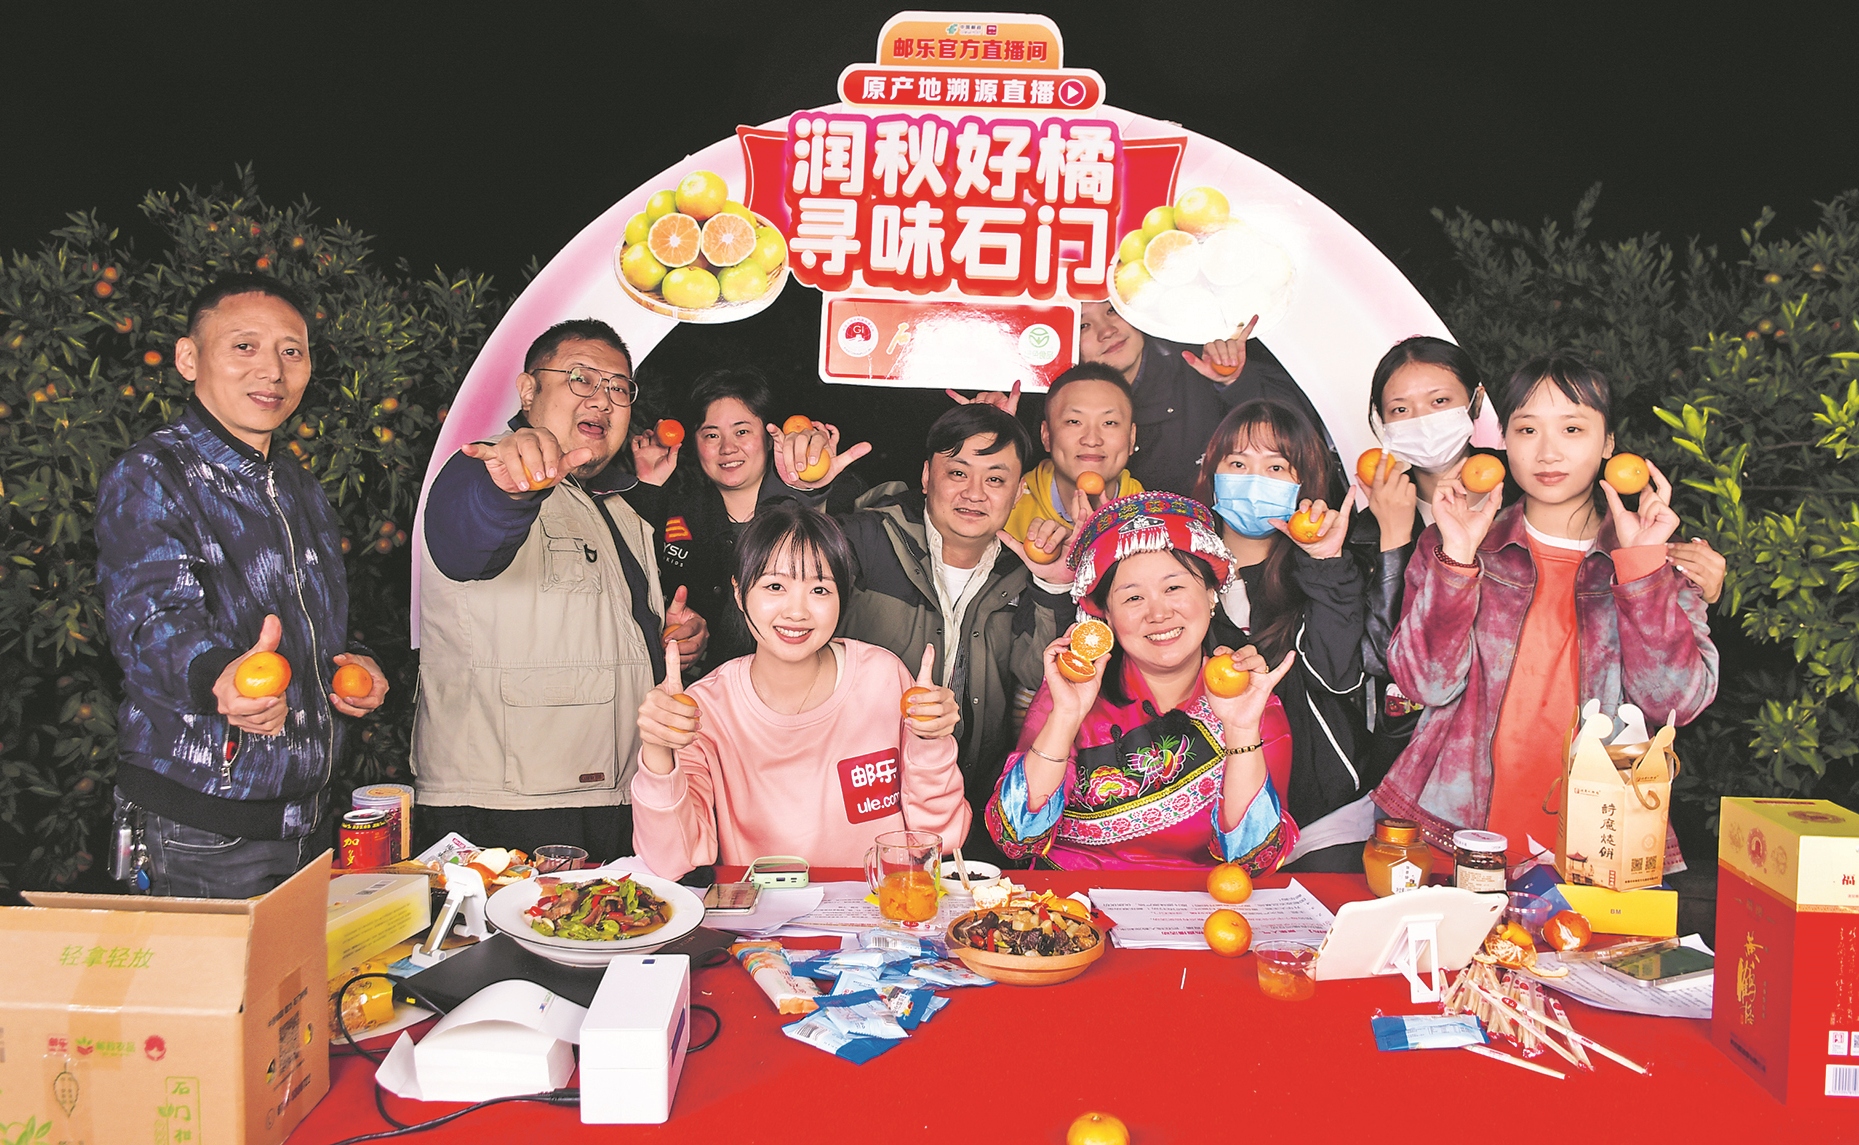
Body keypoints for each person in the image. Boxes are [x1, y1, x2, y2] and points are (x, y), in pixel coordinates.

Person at [97, 274, 387, 899]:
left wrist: (351, 662)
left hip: (306, 820)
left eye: (291, 351)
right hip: (199, 827)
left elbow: (307, 620)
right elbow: (149, 621)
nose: (272, 371)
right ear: (188, 358)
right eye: (245, 346)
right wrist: (218, 677)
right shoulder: (153, 473)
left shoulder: (297, 486)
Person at [1376, 352, 1719, 863]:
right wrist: (1458, 559)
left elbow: (1675, 705)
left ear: (1608, 444)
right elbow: (1425, 684)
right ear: (1504, 441)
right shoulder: (1454, 545)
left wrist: (1643, 571)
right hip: (1454, 835)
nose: (1548, 452)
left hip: (1600, 847)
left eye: (1573, 429)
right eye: (1528, 430)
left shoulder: (1653, 562)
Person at [414, 319, 708, 858]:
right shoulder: (483, 469)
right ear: (528, 391)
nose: (602, 398)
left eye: (618, 387)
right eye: (580, 378)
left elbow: (594, 625)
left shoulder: (617, 506)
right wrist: (509, 491)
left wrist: (667, 638)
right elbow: (468, 540)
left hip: (618, 793)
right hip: (508, 807)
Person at [787, 404, 1073, 859]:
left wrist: (1052, 587)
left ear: (1019, 492)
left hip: (962, 810)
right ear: (925, 476)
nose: (974, 493)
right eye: (957, 473)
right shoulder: (866, 540)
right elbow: (784, 582)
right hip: (851, 801)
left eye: (995, 479)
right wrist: (805, 496)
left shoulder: (1020, 572)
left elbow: (1038, 680)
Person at [631, 501, 969, 876]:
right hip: (761, 911)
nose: (797, 612)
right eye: (775, 586)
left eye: (820, 589)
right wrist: (658, 751)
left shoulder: (883, 678)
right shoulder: (705, 707)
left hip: (881, 906)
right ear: (739, 592)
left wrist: (930, 741)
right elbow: (671, 861)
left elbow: (944, 837)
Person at [985, 492, 1300, 871]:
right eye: (1133, 598)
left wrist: (1241, 731)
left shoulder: (1250, 699)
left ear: (1210, 594)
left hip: (1197, 904)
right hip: (1071, 900)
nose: (1158, 613)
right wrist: (1066, 716)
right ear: (1106, 615)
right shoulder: (1071, 690)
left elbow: (1254, 861)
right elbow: (1016, 838)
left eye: (1174, 588)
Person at [1194, 400, 1371, 866]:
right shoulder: (1178, 569)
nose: (1255, 479)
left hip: (1319, 815)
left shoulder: (1326, 572)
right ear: (1212, 473)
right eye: (1238, 464)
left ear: (1303, 485)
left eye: (1276, 467)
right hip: (1199, 810)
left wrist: (1325, 562)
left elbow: (1336, 675)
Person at [625, 367, 866, 674]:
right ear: (694, 443)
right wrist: (648, 489)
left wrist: (808, 489)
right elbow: (632, 582)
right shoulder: (678, 514)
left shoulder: (823, 504)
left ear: (769, 437)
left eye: (742, 432)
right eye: (712, 435)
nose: (727, 448)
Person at [1076, 302, 1322, 495]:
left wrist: (1235, 381)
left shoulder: (1199, 354)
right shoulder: (1065, 403)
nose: (1107, 331)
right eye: (1083, 325)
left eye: (1112, 310)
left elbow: (1306, 433)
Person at [996, 363, 1143, 544]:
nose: (1091, 440)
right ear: (1046, 435)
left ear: (1132, 438)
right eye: (1074, 421)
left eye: (1109, 423)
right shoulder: (1007, 505)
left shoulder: (1152, 517)